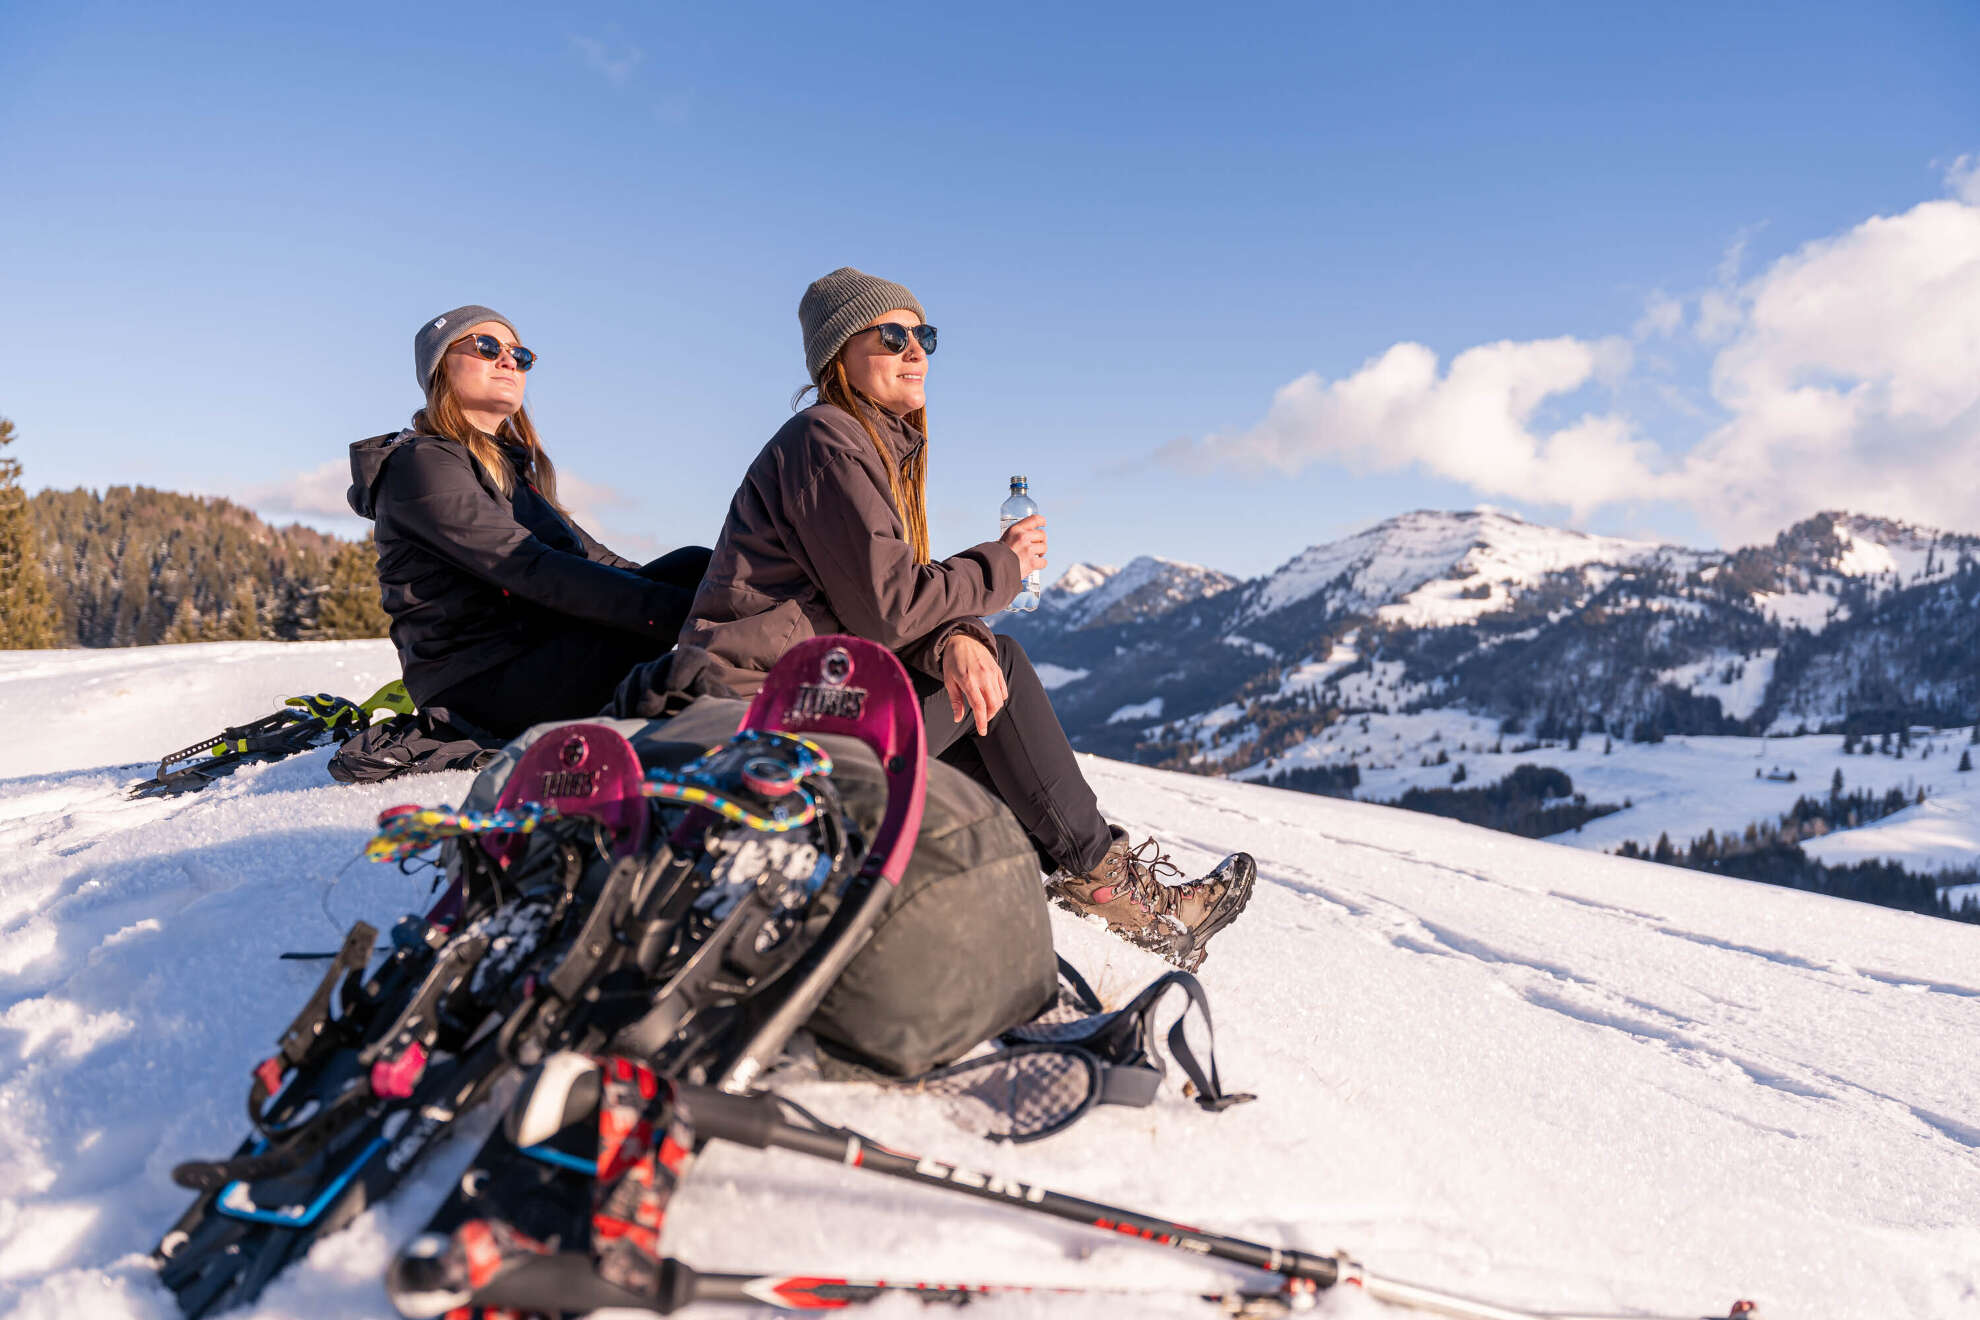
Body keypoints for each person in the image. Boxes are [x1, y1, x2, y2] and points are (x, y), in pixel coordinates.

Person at [680, 268, 1253, 970]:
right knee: (1001, 666)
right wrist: (1002, 567)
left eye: (925, 335)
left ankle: (1055, 871)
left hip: (793, 713)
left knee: (981, 670)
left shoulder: (860, 448)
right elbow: (892, 610)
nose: (915, 348)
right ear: (839, 354)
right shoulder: (826, 441)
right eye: (892, 335)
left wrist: (954, 637)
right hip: (763, 731)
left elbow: (875, 607)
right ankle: (1108, 887)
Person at [347, 305, 710, 739]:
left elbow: (603, 563)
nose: (508, 361)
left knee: (697, 565)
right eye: (487, 347)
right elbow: (526, 566)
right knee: (694, 608)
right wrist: (682, 614)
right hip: (481, 684)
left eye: (520, 356)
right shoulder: (421, 464)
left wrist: (714, 597)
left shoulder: (510, 472)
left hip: (540, 654)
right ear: (439, 368)